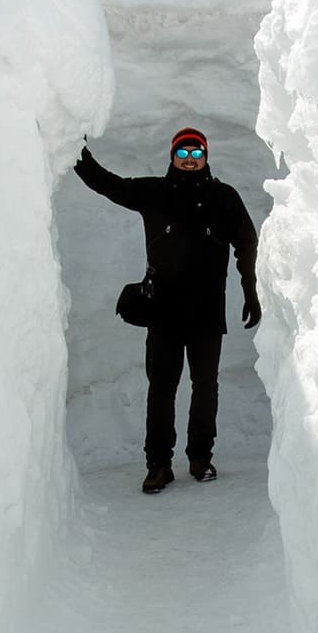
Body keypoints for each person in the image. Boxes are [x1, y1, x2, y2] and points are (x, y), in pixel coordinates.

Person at [74, 127, 261, 494]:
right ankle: (158, 465)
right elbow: (109, 185)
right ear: (173, 157)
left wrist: (249, 290)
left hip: (207, 314)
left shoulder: (223, 198)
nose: (189, 162)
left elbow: (246, 243)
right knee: (162, 388)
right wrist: (77, 152)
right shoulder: (155, 193)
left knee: (205, 387)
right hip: (164, 313)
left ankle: (200, 457)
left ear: (205, 158)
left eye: (196, 155)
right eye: (183, 154)